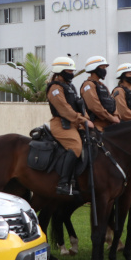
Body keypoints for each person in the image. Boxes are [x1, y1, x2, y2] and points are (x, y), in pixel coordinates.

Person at [47, 57, 93, 195]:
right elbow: (64, 110)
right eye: (68, 70)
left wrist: (86, 119)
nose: (71, 73)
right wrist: (82, 120)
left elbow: (79, 106)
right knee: (75, 146)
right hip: (61, 123)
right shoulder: (55, 88)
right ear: (59, 71)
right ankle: (63, 183)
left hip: (74, 123)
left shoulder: (70, 87)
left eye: (72, 71)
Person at [80, 56, 120, 131]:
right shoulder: (88, 85)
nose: (104, 70)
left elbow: (112, 102)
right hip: (96, 124)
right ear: (94, 68)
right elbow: (94, 106)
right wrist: (112, 118)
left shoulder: (102, 86)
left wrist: (116, 116)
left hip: (109, 123)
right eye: (102, 67)